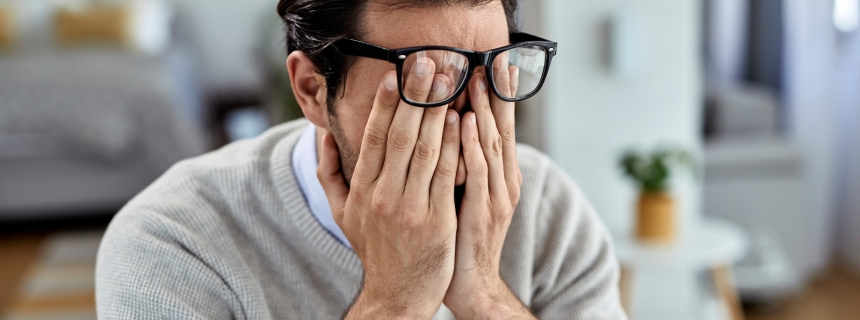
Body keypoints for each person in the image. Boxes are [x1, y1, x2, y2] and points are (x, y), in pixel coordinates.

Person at [96, 0, 626, 319]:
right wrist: (394, 303)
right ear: (311, 90)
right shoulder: (170, 241)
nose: (467, 119)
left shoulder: (549, 208)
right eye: (425, 81)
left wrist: (485, 296)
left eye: (490, 73)